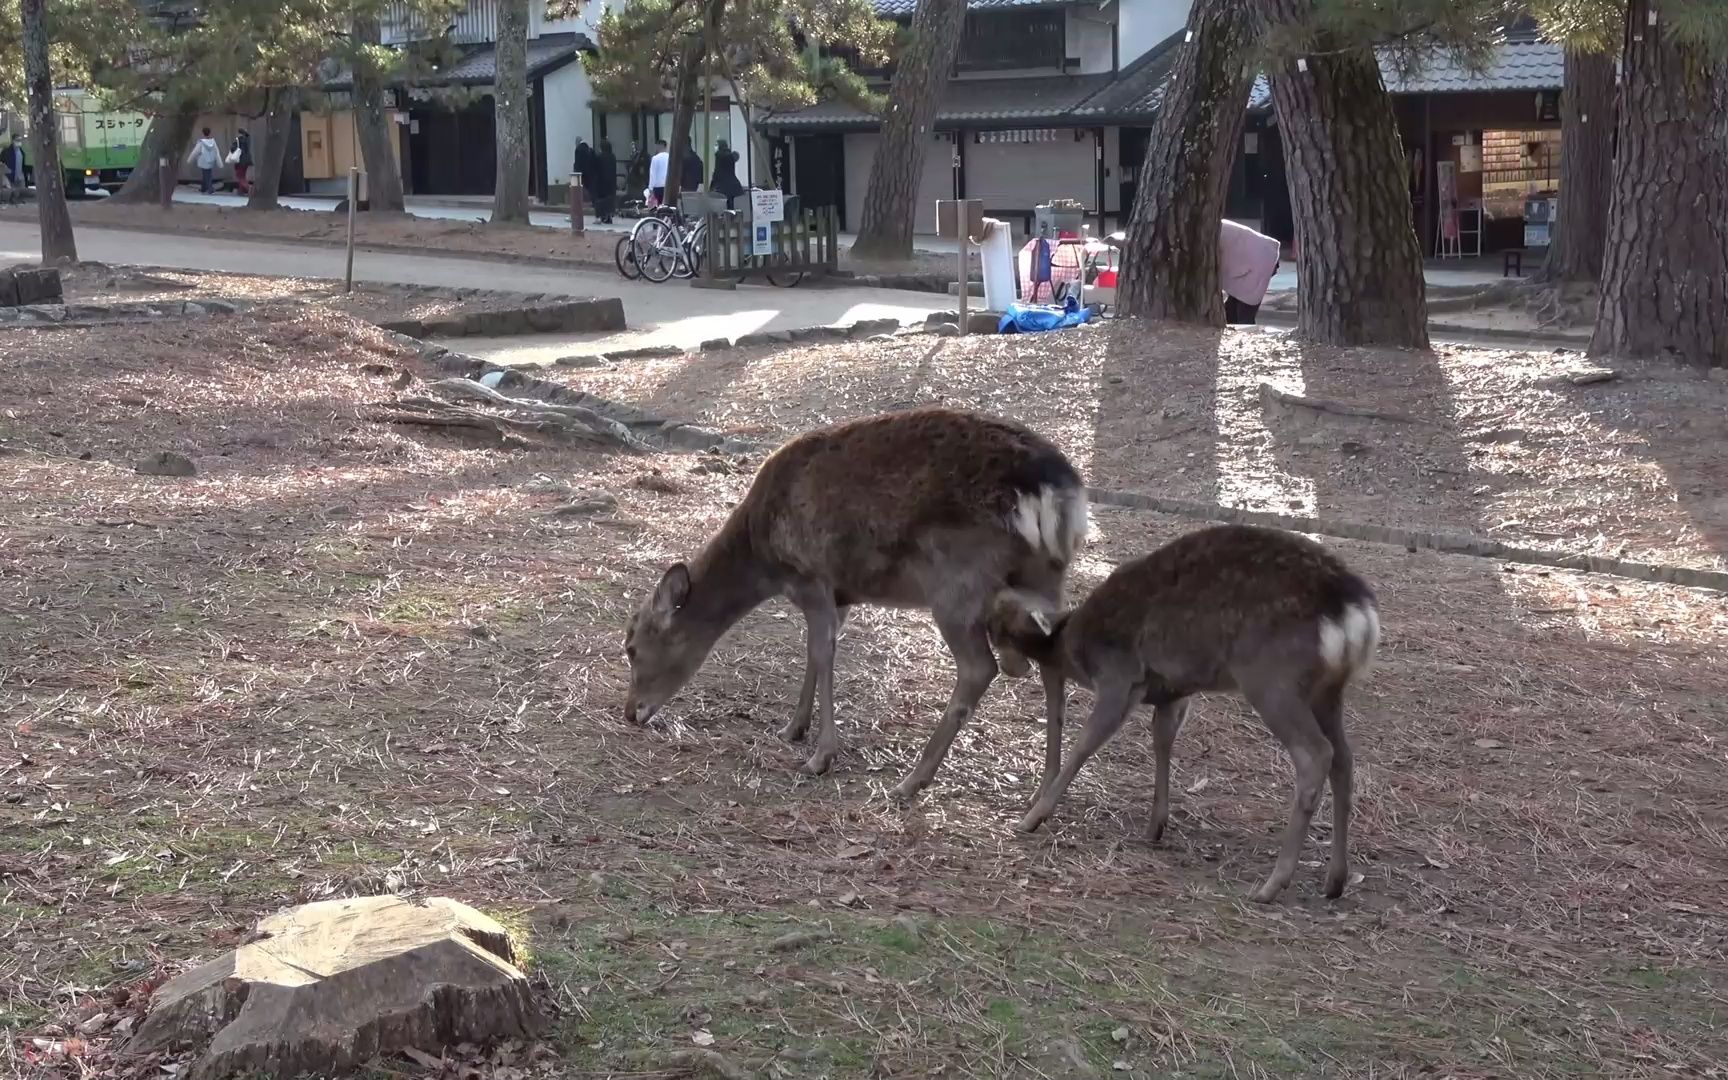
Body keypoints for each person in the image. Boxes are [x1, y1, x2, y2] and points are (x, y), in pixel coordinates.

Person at [1219, 218, 1281, 325]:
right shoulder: (1213, 226)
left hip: (1260, 259)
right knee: (1231, 311)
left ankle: (1246, 334)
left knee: (1244, 313)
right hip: (1256, 257)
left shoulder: (1208, 229)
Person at [711, 139, 744, 210]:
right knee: (731, 206)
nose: (715, 147)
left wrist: (712, 186)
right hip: (734, 185)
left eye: (716, 145)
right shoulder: (730, 155)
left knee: (723, 207)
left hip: (723, 186)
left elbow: (718, 171)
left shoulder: (719, 156)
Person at [188, 127, 221, 195]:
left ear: (203, 133)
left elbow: (195, 152)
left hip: (203, 160)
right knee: (207, 174)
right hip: (211, 160)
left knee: (206, 175)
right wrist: (219, 162)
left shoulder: (201, 142)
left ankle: (210, 189)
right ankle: (203, 188)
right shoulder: (213, 142)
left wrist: (190, 159)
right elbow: (216, 152)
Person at [594, 139, 618, 224]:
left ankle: (601, 216)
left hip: (601, 182)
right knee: (609, 200)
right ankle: (609, 216)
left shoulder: (599, 157)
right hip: (611, 182)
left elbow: (596, 170)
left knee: (600, 200)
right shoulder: (612, 156)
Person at [572, 137, 597, 214]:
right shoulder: (590, 149)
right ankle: (594, 201)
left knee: (579, 188)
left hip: (581, 173)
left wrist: (576, 171)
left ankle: (579, 204)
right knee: (591, 187)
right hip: (591, 172)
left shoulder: (578, 149)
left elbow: (577, 162)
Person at [230, 128, 252, 195]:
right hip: (247, 160)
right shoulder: (248, 139)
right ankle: (241, 191)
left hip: (240, 160)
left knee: (239, 176)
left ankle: (249, 189)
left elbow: (232, 148)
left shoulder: (239, 140)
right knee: (243, 175)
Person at [647, 140, 669, 205]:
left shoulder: (655, 158)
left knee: (659, 206)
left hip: (658, 186)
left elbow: (652, 174)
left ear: (658, 146)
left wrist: (650, 188)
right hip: (668, 186)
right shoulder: (670, 157)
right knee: (668, 206)